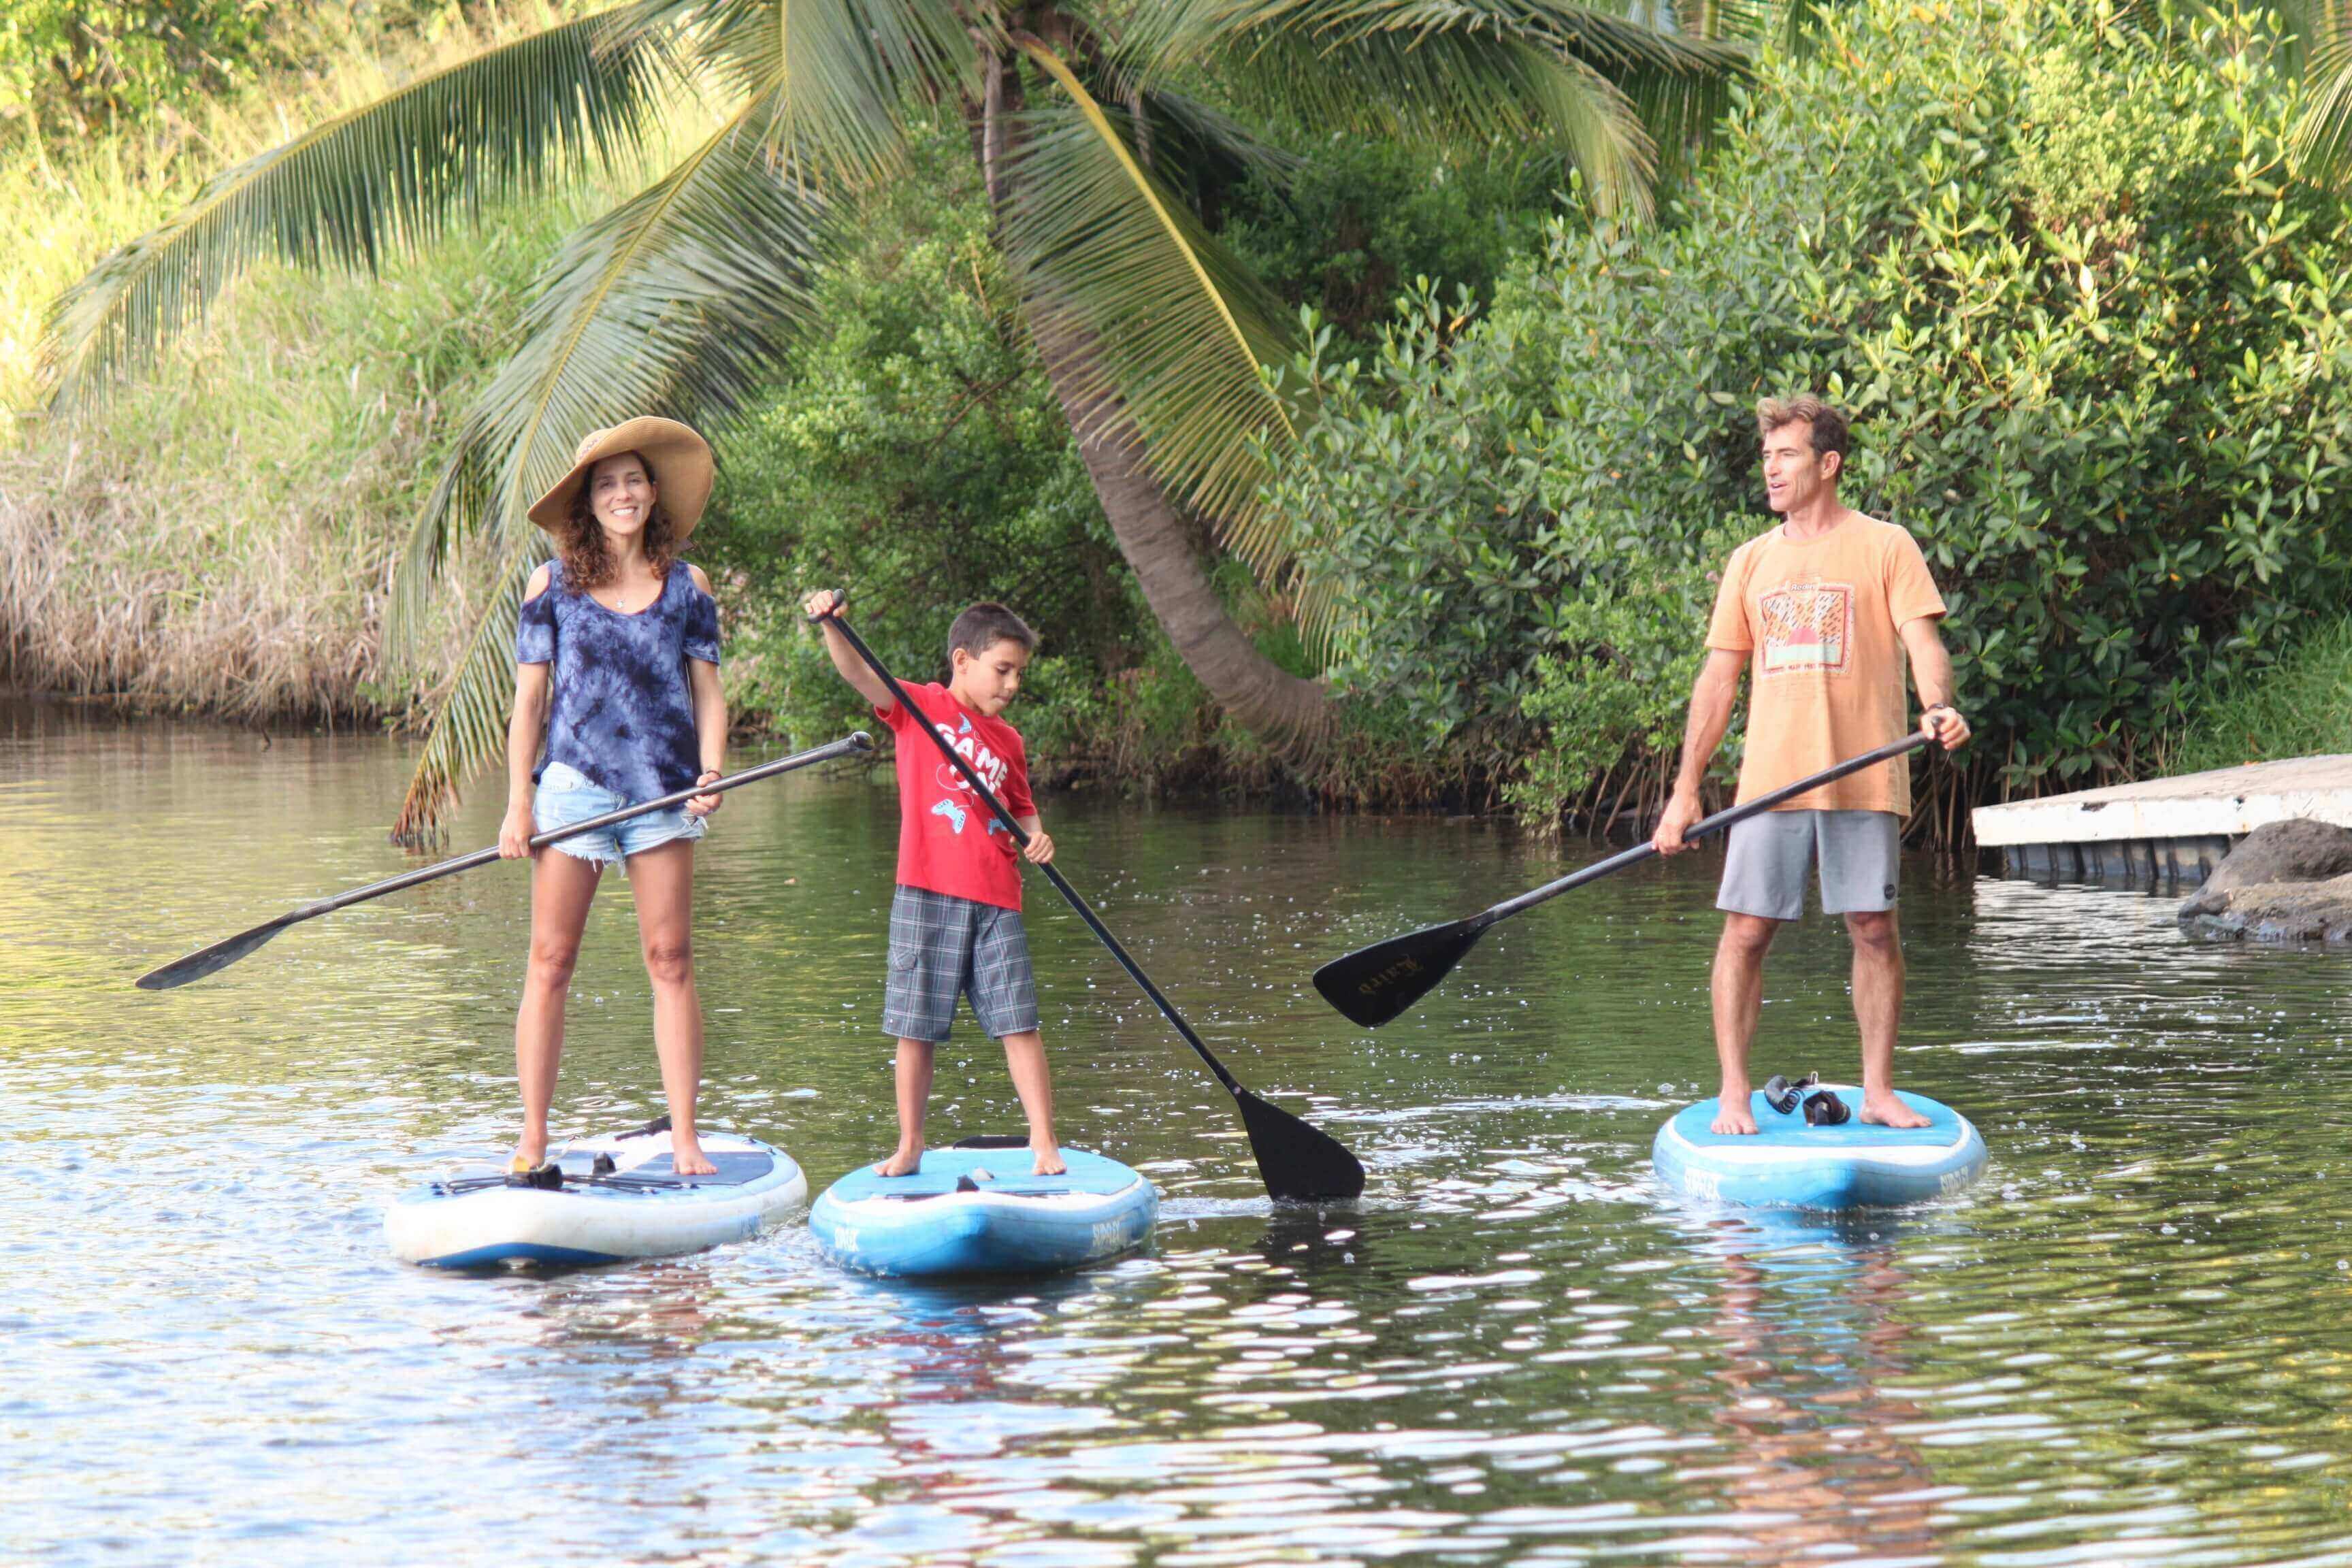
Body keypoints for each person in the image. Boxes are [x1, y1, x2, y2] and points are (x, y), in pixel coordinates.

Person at [1652, 395, 1970, 1135]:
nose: (1772, 468)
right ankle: (1734, 1095)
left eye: (1787, 455)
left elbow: (1924, 644)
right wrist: (1685, 791)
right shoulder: (1750, 561)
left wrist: (1938, 706)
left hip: (1864, 773)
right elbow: (1717, 682)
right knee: (1746, 933)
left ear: (1828, 464)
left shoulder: (1886, 545)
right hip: (1771, 782)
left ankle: (1879, 1092)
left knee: (1874, 929)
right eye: (1767, 456)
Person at [498, 416, 728, 1176]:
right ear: (587, 502)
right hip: (572, 791)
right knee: (550, 960)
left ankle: (686, 1139)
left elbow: (708, 691)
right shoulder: (552, 586)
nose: (622, 494)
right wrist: (519, 805)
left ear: (653, 492)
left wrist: (712, 770)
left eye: (633, 481)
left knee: (671, 958)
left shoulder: (688, 587)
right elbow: (530, 705)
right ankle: (533, 1139)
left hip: (664, 794)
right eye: (606, 485)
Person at [802, 587, 1065, 1177]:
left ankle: (1044, 1141)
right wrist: (832, 626)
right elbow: (859, 675)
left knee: (1019, 1021)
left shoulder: (1010, 741)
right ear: (963, 661)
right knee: (914, 1027)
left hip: (998, 897)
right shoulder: (920, 707)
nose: (1012, 685)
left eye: (1019, 674)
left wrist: (1038, 838)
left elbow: (1022, 808)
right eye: (1003, 670)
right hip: (927, 890)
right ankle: (911, 1144)